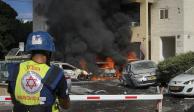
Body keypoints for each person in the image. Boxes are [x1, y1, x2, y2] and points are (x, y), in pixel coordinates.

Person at [7, 31, 70, 112]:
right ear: (49, 52)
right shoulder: (55, 73)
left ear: (30, 49)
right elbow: (65, 105)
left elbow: (14, 98)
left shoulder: (15, 69)